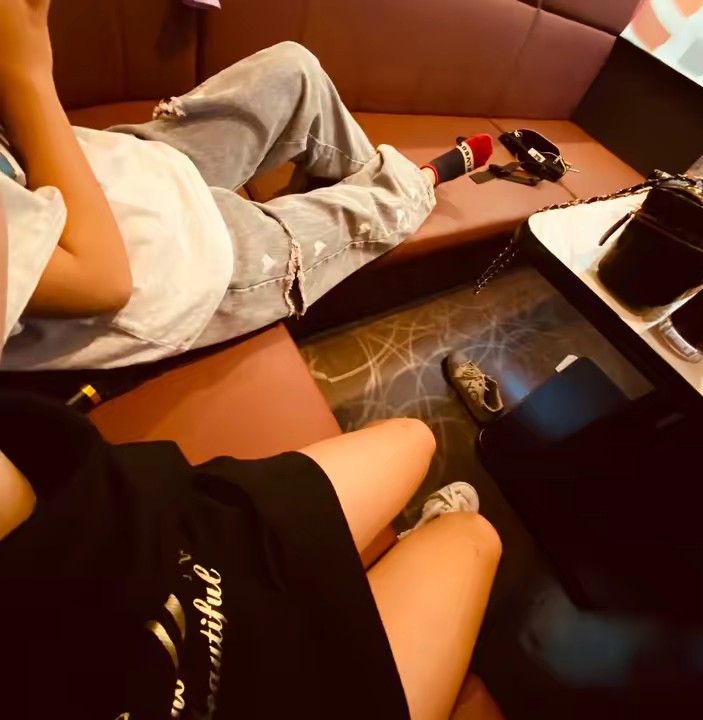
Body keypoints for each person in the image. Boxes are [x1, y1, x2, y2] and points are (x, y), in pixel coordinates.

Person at [0, 197, 501, 718]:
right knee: (472, 536)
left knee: (414, 438)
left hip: (185, 547)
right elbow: (104, 280)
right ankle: (401, 553)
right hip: (267, 695)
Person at [0, 0, 492, 372]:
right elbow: (102, 282)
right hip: (170, 262)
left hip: (122, 164)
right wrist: (26, 74)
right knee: (383, 200)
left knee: (294, 68)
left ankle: (352, 206)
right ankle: (412, 187)